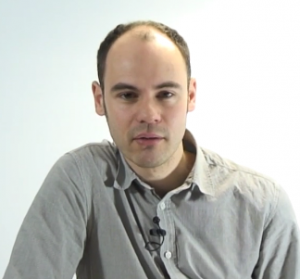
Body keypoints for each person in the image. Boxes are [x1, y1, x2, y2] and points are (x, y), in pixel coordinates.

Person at [3, 20, 300, 279]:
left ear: (191, 95)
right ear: (99, 98)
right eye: (128, 94)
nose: (148, 114)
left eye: (166, 94)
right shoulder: (80, 179)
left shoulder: (264, 206)